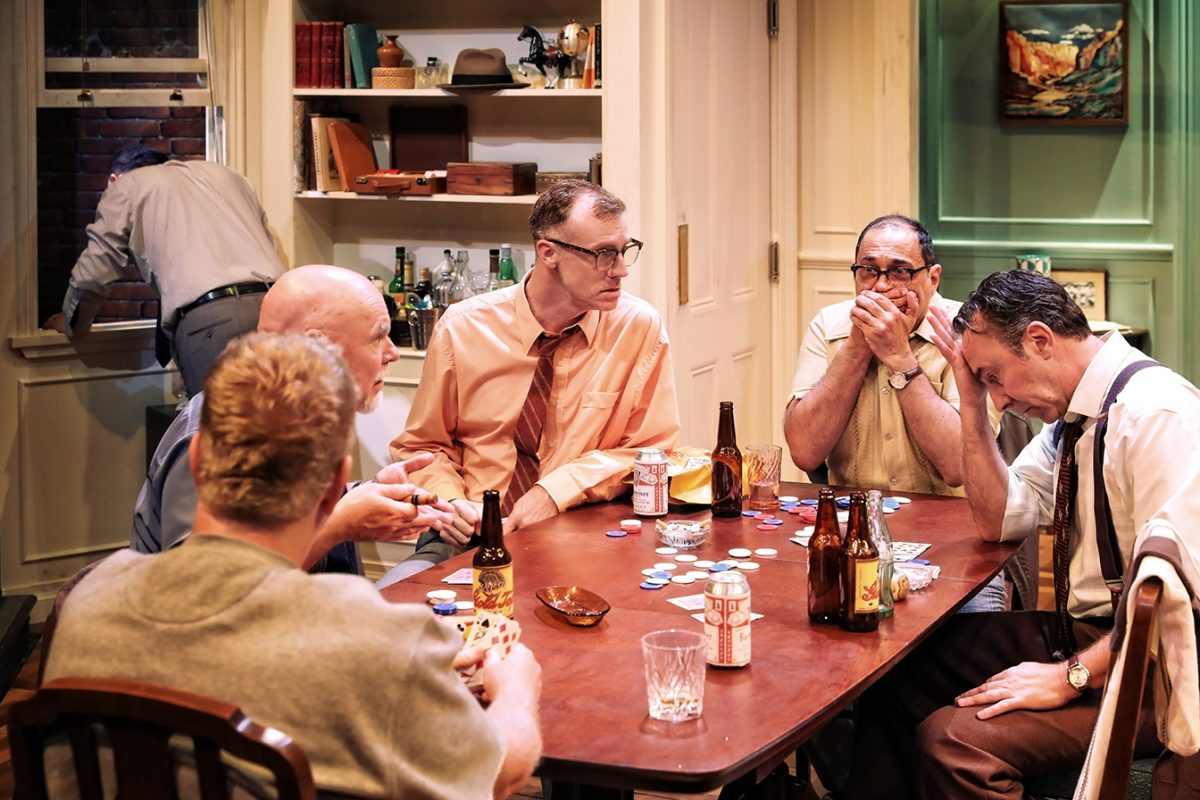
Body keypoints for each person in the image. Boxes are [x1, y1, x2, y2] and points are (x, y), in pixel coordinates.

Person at [43, 333, 543, 800]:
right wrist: (516, 686)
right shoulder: (379, 636)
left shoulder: (87, 600)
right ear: (335, 486)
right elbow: (496, 772)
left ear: (196, 461)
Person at [843, 269, 1200, 799]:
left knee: (953, 742)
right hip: (1083, 632)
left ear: (1038, 339)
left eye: (994, 375)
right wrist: (970, 402)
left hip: (1159, 670)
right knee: (892, 666)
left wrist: (1068, 678)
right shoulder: (1072, 419)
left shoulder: (1156, 416)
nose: (1001, 401)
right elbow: (998, 518)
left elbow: (1177, 606)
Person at [380, 179, 680, 583]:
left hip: (582, 530)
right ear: (548, 252)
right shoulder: (464, 326)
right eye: (605, 255)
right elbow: (423, 445)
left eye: (625, 251)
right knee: (389, 606)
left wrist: (555, 491)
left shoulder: (637, 326)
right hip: (469, 534)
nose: (621, 270)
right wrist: (451, 503)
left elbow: (650, 452)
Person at [132, 264, 452, 573]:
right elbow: (199, 587)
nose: (392, 352)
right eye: (377, 337)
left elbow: (278, 510)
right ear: (318, 345)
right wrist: (339, 524)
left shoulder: (307, 415)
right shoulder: (222, 427)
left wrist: (367, 492)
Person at [782, 213, 1008, 611]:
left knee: (973, 652)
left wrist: (899, 357)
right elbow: (803, 450)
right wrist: (858, 346)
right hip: (854, 539)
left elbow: (959, 464)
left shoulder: (967, 332)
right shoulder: (829, 327)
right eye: (869, 271)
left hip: (956, 545)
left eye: (901, 272)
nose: (882, 286)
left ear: (932, 278)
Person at [48, 144, 286, 396]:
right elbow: (267, 240)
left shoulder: (126, 187)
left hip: (214, 322)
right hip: (278, 306)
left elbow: (94, 272)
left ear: (113, 179)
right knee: (282, 424)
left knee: (227, 431)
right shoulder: (226, 174)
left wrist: (73, 320)